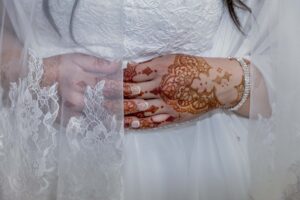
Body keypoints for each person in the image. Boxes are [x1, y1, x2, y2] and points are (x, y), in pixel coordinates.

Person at [0, 0, 299, 200]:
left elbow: (286, 55)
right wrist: (32, 74)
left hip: (198, 159)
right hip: (55, 154)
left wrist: (222, 81)